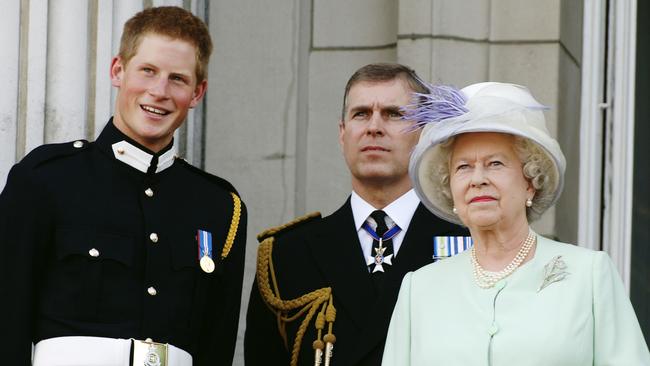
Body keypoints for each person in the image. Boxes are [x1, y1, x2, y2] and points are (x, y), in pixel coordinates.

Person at [0, 6, 247, 366]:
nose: (159, 91)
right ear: (118, 70)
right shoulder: (45, 178)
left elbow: (216, 345)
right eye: (148, 71)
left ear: (197, 93)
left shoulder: (220, 206)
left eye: (177, 78)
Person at [382, 81, 650, 365]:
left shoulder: (589, 275)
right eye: (463, 167)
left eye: (495, 163)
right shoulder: (420, 289)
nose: (477, 179)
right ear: (451, 190)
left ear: (531, 182)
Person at [244, 63, 467, 366]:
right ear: (342, 133)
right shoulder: (285, 255)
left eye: (393, 114)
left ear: (424, 134)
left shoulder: (469, 244)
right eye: (361, 114)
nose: (374, 126)